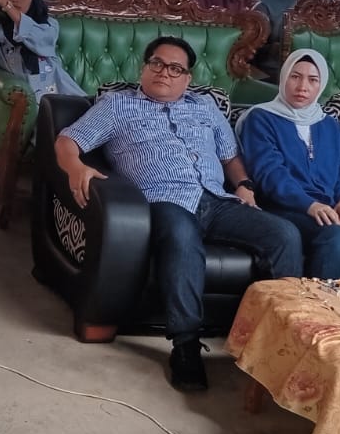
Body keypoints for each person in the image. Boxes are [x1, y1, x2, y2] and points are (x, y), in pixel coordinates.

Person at [55, 36, 301, 390]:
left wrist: (244, 185)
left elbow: (229, 155)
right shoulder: (117, 105)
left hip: (217, 200)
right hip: (164, 200)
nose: (164, 73)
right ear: (144, 67)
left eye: (175, 69)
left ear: (187, 78)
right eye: (156, 64)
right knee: (182, 237)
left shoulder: (205, 107)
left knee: (284, 234)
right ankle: (186, 345)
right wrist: (76, 168)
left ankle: (276, 343)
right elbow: (68, 140)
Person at [238, 50, 340, 279]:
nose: (303, 87)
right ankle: (320, 302)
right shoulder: (261, 118)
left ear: (321, 85)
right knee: (337, 238)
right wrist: (309, 205)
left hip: (327, 207)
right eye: (295, 76)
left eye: (313, 80)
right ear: (283, 78)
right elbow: (269, 173)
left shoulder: (329, 124)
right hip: (281, 208)